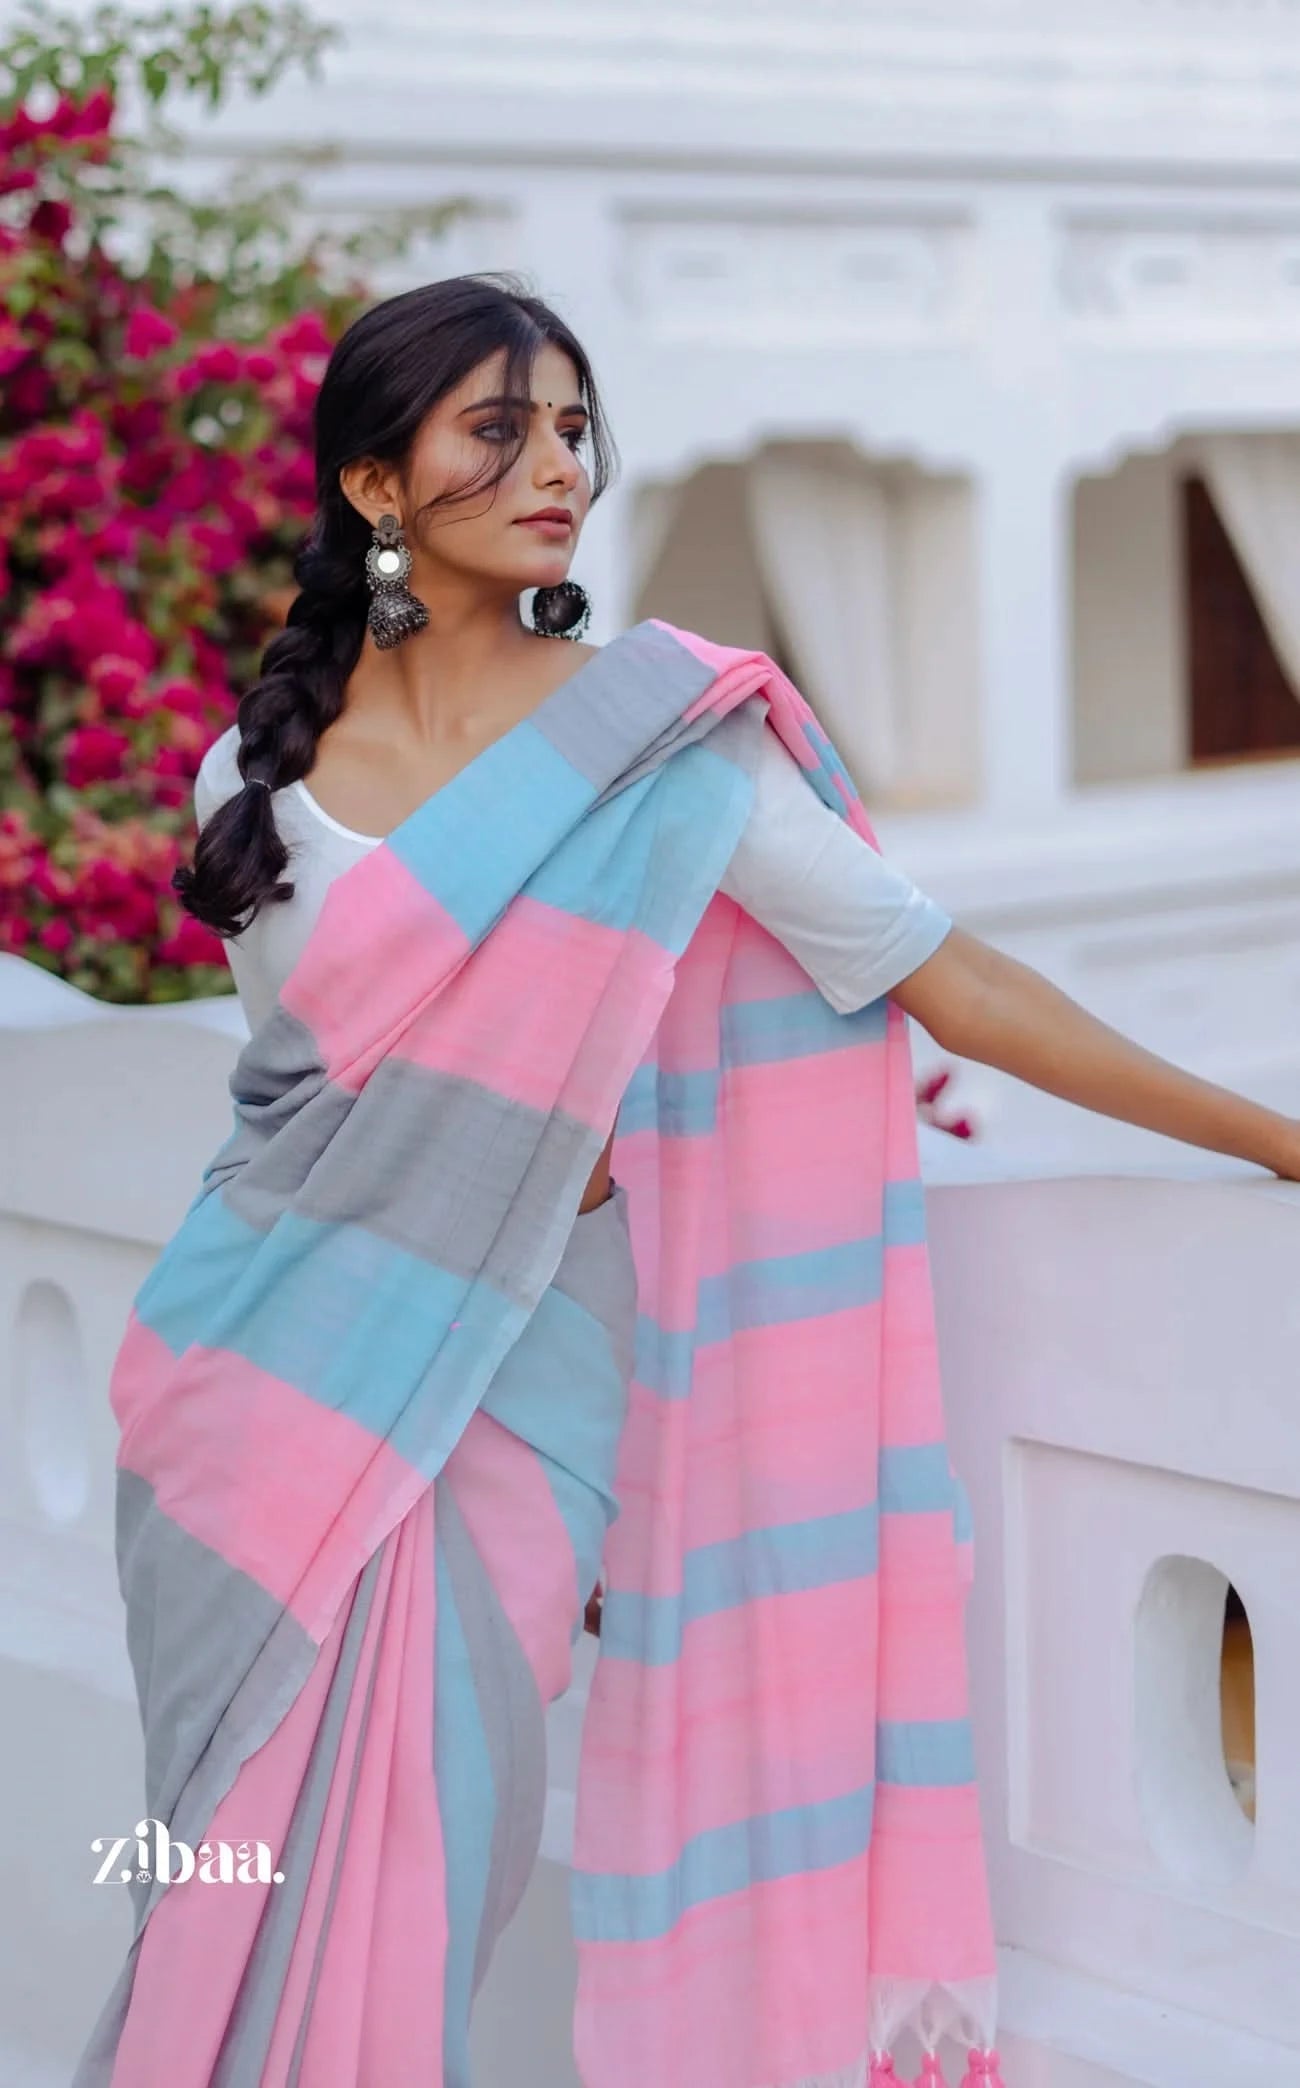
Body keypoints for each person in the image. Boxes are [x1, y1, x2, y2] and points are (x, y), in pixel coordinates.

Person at [75, 273, 1300, 2088]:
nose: (555, 461)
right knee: (204, 1879)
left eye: (572, 423)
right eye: (497, 427)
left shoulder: (662, 751)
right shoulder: (248, 778)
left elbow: (948, 975)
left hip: (524, 1390)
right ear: (373, 489)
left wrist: (1277, 1135)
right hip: (244, 1399)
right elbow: (294, 1112)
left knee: (431, 1878)